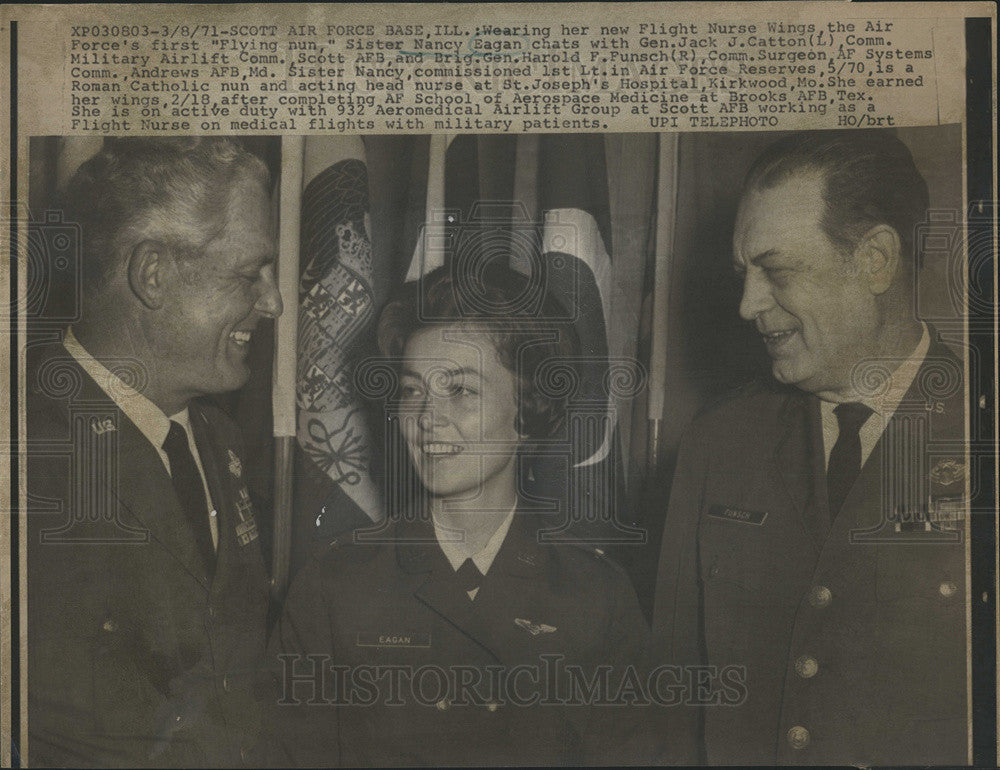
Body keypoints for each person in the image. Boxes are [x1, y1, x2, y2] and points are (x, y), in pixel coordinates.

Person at [651, 130, 968, 765]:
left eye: (777, 271)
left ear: (876, 260)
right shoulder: (720, 445)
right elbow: (671, 712)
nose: (747, 305)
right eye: (744, 274)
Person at [268, 264, 655, 766]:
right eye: (412, 390)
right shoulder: (334, 588)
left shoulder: (598, 597)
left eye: (461, 390)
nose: (427, 418)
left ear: (528, 410)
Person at [26, 137, 283, 766]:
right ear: (153, 273)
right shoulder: (26, 445)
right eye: (251, 274)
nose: (273, 303)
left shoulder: (216, 438)